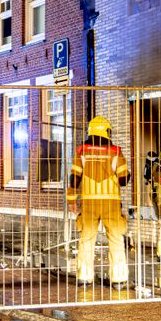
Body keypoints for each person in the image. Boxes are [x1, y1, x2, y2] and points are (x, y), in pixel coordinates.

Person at [66, 116, 129, 286]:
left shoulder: (82, 151)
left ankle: (84, 277)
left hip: (89, 202)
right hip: (111, 202)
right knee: (116, 239)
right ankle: (119, 279)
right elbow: (124, 179)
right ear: (106, 131)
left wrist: (71, 199)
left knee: (86, 239)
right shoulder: (116, 151)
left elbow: (74, 178)